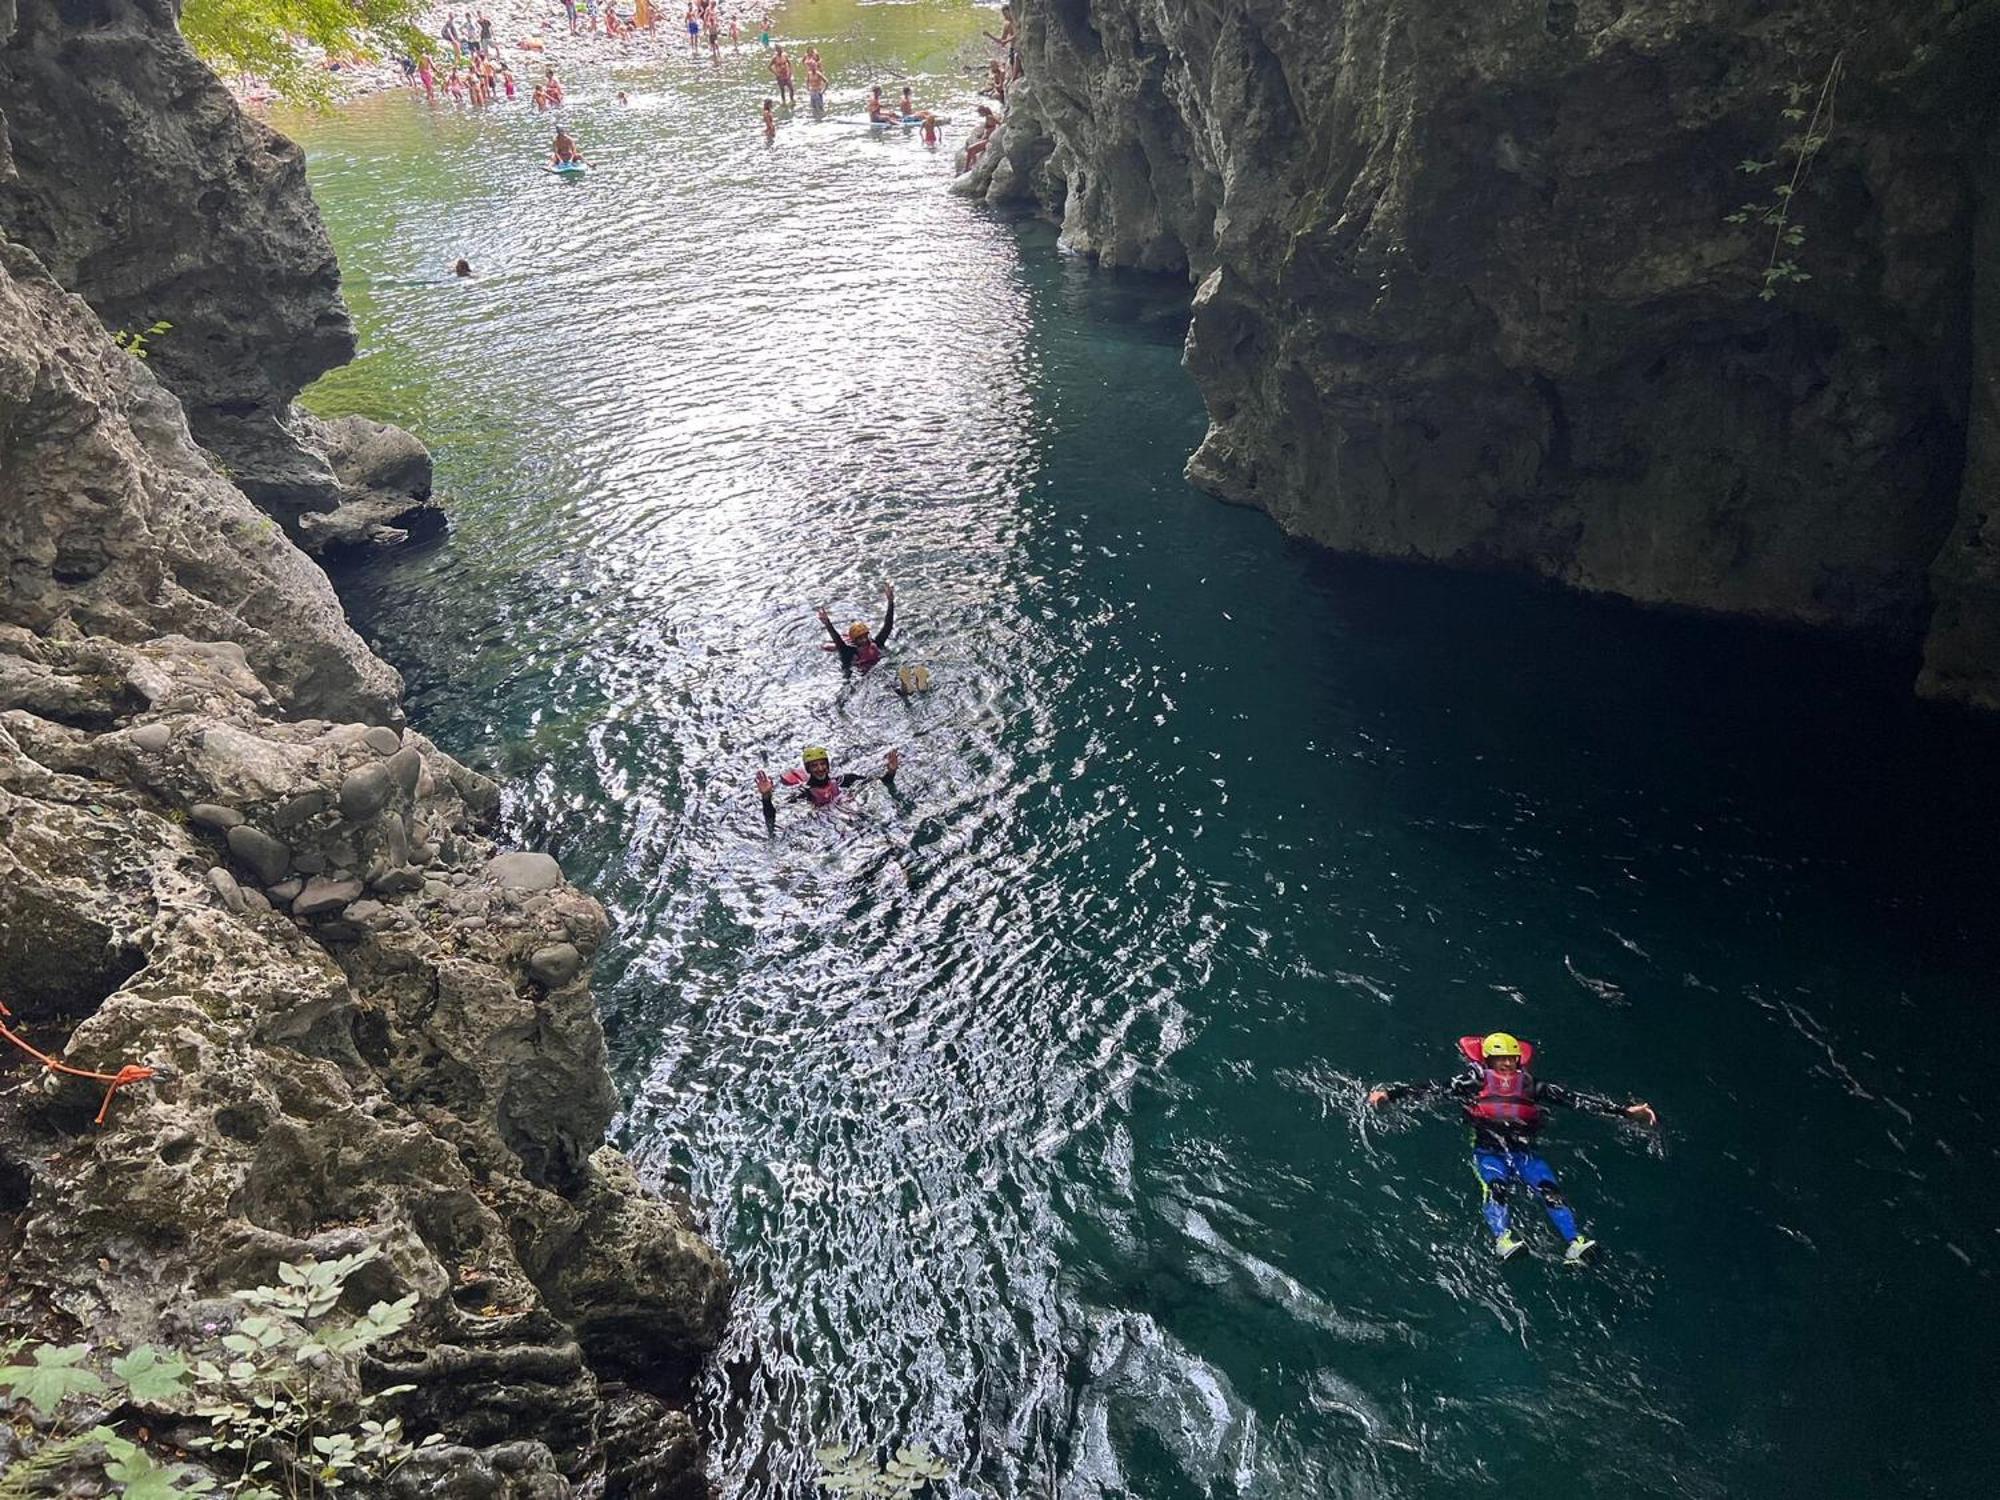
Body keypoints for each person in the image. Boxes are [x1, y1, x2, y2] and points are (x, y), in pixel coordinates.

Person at [1367, 1032, 1657, 1263]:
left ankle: (1575, 1242)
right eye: (1500, 1060)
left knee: (1549, 1190)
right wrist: (1391, 1094)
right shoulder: (1473, 1081)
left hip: (1524, 1152)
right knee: (1497, 1188)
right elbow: (1433, 1088)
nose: (1506, 1065)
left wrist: (1623, 1111)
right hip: (1487, 1150)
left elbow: (1575, 1100)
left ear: (1519, 1060)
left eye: (1511, 1059)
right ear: (1488, 1061)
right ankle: (1503, 1240)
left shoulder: (1532, 1086)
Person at [758, 746, 900, 828]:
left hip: (853, 817)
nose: (820, 768)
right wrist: (766, 797)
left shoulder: (844, 780)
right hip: (830, 825)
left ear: (828, 765)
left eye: (822, 764)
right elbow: (772, 818)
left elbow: (880, 782)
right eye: (814, 765)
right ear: (808, 770)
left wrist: (891, 772)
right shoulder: (805, 793)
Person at [816, 584, 895, 673]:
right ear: (854, 641)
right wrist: (827, 623)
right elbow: (837, 639)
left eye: (865, 636)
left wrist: (890, 602)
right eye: (860, 638)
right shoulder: (848, 652)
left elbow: (888, 626)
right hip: (857, 675)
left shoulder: (877, 644)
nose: (864, 640)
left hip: (878, 669)